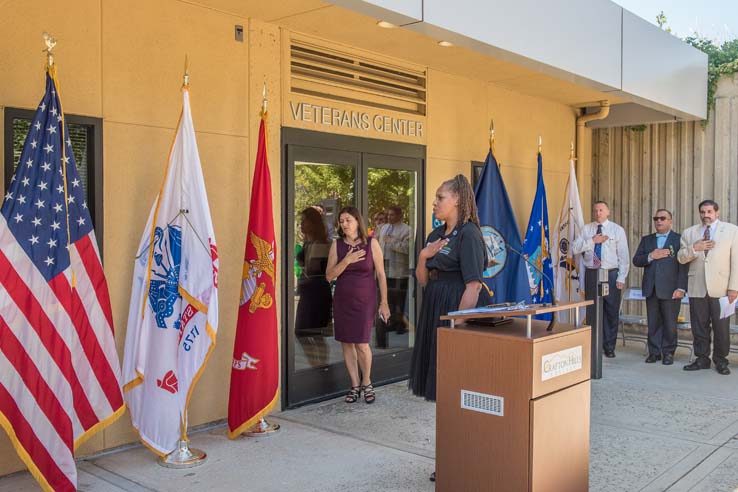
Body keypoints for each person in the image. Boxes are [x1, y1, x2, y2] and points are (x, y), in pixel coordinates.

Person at [409, 175, 490, 402]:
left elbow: (473, 286)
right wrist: (423, 256)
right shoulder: (434, 235)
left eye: (440, 197)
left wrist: (458, 323)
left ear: (456, 199)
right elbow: (423, 280)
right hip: (435, 303)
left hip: (457, 305)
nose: (434, 203)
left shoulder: (469, 233)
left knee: (456, 370)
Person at [326, 206, 390, 403]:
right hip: (343, 300)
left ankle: (367, 382)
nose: (344, 224)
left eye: (348, 220)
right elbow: (329, 276)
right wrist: (347, 260)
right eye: (341, 221)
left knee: (362, 343)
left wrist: (384, 302)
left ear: (357, 221)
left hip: (365, 300)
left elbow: (381, 274)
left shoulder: (371, 243)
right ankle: (354, 385)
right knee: (346, 342)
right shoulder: (337, 245)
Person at [677, 200, 738, 375]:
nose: (706, 215)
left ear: (717, 213)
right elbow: (681, 257)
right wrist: (695, 248)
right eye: (703, 212)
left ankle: (721, 360)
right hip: (697, 287)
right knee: (699, 326)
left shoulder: (732, 230)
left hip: (722, 288)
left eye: (710, 211)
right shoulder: (690, 233)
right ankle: (702, 358)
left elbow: (736, 260)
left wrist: (734, 287)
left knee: (721, 328)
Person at [572, 201, 629, 358]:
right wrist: (592, 241)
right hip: (592, 272)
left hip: (610, 273)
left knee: (611, 311)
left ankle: (609, 346)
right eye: (596, 210)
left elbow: (623, 255)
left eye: (601, 210)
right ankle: (593, 344)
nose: (598, 213)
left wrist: (621, 277)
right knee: (593, 310)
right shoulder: (587, 229)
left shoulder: (617, 230)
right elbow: (575, 248)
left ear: (608, 212)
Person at [632, 209, 687, 365]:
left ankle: (668, 352)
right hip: (652, 288)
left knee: (670, 323)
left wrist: (681, 288)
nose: (659, 221)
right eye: (656, 218)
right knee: (653, 322)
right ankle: (654, 352)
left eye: (663, 218)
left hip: (671, 289)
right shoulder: (646, 240)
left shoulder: (679, 239)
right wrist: (651, 256)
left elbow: (683, 266)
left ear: (670, 221)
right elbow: (636, 260)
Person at [295, 207, 332, 337]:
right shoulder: (308, 243)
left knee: (310, 333)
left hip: (317, 293)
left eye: (304, 221)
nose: (301, 225)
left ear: (313, 223)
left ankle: (319, 358)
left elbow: (312, 269)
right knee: (304, 333)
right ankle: (316, 358)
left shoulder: (320, 244)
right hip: (308, 292)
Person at [379, 205, 411, 336]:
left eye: (391, 215)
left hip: (399, 271)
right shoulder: (384, 228)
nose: (388, 217)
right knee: (389, 299)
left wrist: (392, 243)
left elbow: (408, 248)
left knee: (399, 300)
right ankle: (390, 322)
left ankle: (400, 324)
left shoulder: (406, 229)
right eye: (388, 214)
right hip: (385, 269)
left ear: (399, 215)